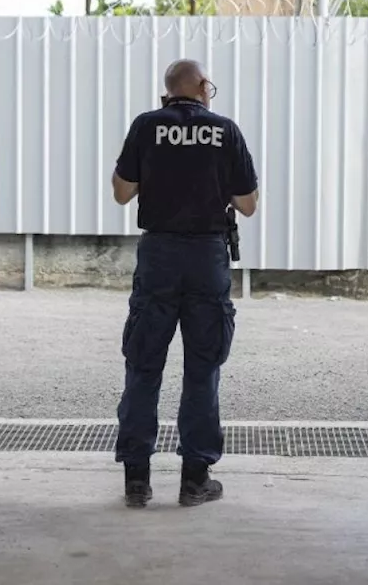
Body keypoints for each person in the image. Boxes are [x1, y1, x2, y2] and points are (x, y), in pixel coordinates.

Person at [110, 59, 259, 508]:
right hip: (206, 257)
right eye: (208, 86)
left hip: (158, 256)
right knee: (203, 368)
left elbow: (121, 192)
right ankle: (195, 479)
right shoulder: (225, 130)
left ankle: (137, 479)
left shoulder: (146, 126)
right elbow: (247, 204)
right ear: (198, 88)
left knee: (143, 365)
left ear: (166, 93)